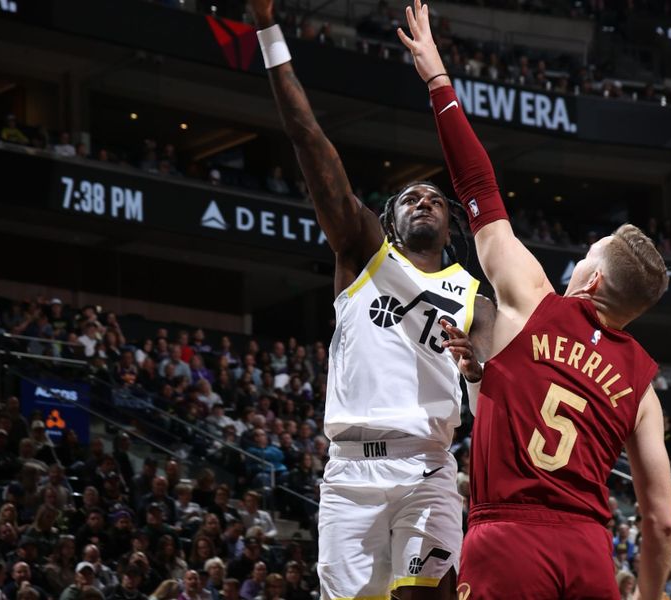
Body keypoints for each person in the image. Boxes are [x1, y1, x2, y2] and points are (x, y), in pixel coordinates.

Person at [397, 1, 671, 598]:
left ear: (593, 282)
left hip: (509, 542)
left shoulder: (534, 300)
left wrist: (439, 83)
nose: (576, 261)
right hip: (589, 556)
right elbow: (663, 522)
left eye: (588, 254)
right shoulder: (644, 389)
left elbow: (478, 188)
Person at [247, 1, 495, 598]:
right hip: (350, 471)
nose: (424, 202)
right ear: (389, 218)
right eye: (410, 197)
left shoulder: (474, 298)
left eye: (434, 197)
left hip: (428, 468)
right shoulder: (363, 256)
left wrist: (479, 370)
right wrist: (268, 31)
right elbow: (308, 140)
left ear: (451, 224)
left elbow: (494, 392)